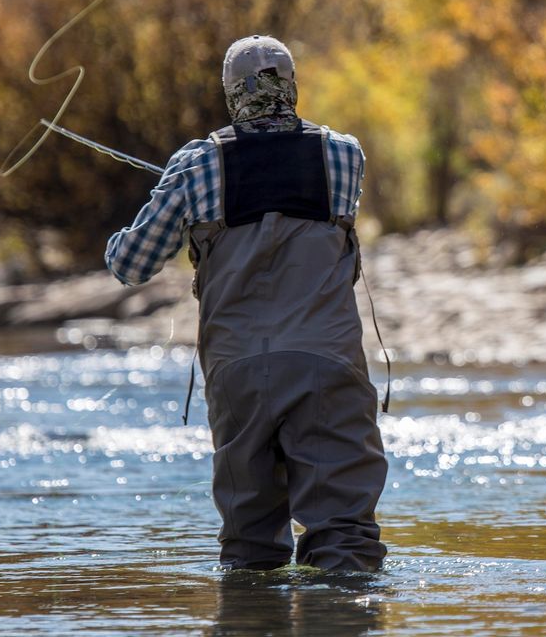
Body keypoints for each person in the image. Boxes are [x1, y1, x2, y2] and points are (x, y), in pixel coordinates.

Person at [105, 35, 388, 572]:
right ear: (293, 87)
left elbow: (130, 264)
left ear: (231, 93)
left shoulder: (195, 165)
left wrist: (169, 197)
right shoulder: (345, 154)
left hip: (238, 373)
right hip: (327, 366)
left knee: (250, 547)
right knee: (345, 539)